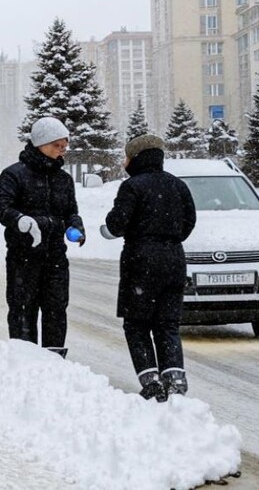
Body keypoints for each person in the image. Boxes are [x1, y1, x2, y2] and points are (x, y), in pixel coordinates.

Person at [100, 134, 196, 401]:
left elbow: (116, 224)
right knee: (167, 324)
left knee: (137, 323)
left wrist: (111, 229)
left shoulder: (133, 187)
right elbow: (189, 222)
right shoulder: (178, 186)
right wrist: (168, 239)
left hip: (140, 260)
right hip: (175, 259)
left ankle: (151, 380)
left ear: (136, 157)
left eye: (127, 156)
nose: (124, 161)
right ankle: (175, 380)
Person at [0, 116, 84, 357]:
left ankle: (54, 361)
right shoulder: (14, 175)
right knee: (23, 310)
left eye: (64, 146)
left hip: (55, 258)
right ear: (41, 143)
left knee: (56, 309)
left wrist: (75, 226)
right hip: (23, 258)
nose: (62, 150)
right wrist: (19, 219)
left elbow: (70, 211)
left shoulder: (63, 179)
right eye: (57, 145)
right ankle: (24, 360)